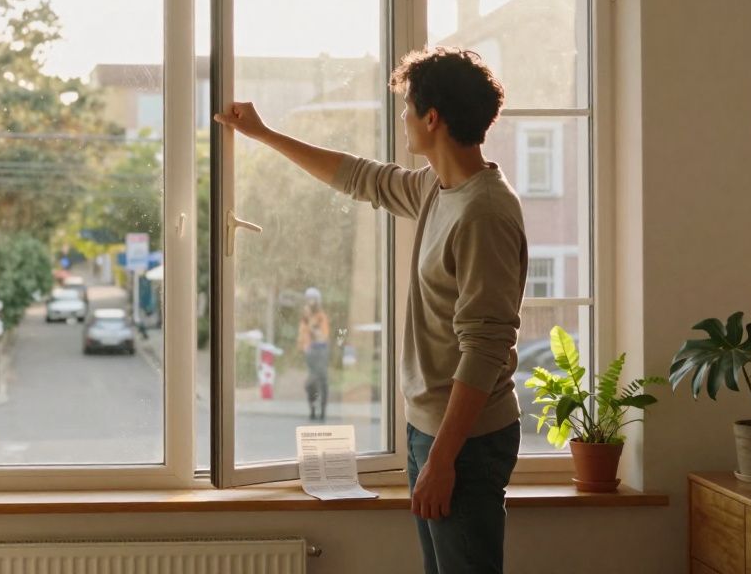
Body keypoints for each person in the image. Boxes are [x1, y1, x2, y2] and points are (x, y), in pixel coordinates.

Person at [215, 48, 526, 574]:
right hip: (432, 430)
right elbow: (360, 177)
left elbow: (486, 347)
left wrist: (443, 458)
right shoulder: (439, 187)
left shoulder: (484, 213)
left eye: (408, 108)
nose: (403, 118)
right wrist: (265, 135)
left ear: (433, 118)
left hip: (466, 442)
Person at [298, 287, 331, 421]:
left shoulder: (321, 317)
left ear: (317, 301)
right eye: (308, 299)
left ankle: (322, 410)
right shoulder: (305, 318)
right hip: (310, 352)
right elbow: (302, 335)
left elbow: (323, 336)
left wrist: (312, 326)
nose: (310, 302)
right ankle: (312, 409)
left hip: (321, 351)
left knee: (322, 380)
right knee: (310, 383)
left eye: (313, 299)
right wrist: (303, 347)